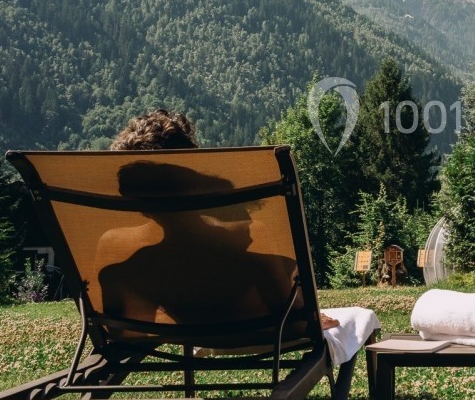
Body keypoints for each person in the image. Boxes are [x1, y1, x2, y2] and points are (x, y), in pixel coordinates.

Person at [105, 109, 339, 330]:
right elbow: (296, 326)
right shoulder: (262, 267)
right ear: (192, 183)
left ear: (137, 203)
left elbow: (126, 338)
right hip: (267, 339)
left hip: (182, 336)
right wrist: (311, 320)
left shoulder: (123, 273)